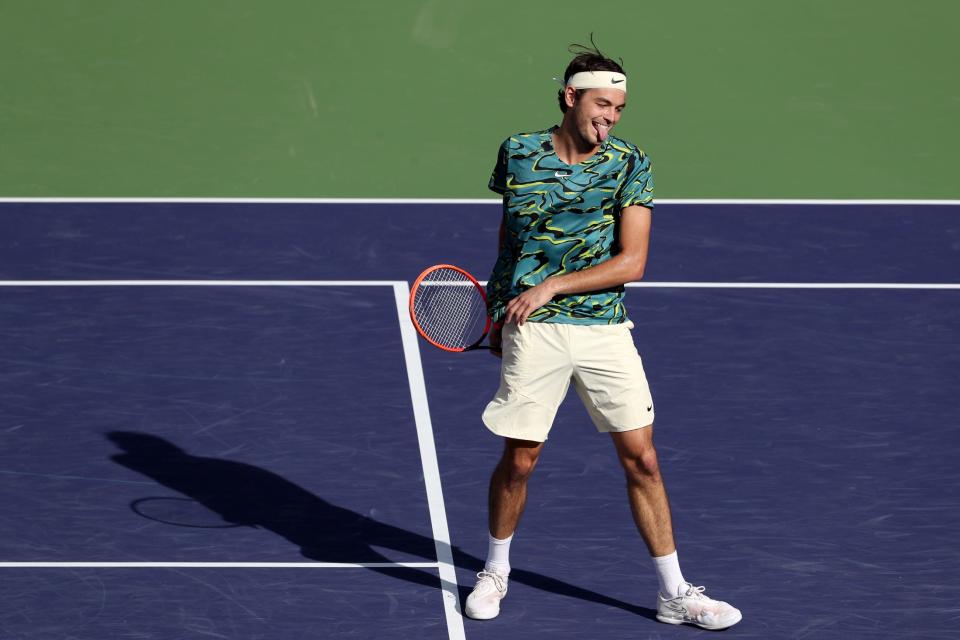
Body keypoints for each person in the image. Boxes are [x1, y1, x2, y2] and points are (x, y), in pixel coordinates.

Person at [463, 42, 742, 631]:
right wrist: (495, 308)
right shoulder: (517, 152)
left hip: (604, 329)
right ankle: (495, 571)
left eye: (618, 108)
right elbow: (508, 240)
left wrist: (552, 285)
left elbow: (632, 261)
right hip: (529, 329)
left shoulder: (630, 163)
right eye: (600, 104)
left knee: (642, 458)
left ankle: (674, 593)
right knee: (520, 460)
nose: (609, 117)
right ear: (569, 97)